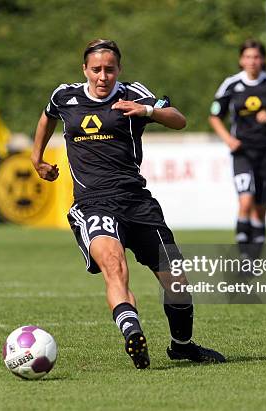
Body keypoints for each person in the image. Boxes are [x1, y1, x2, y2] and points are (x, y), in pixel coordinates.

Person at [31, 39, 225, 369]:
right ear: (85, 70)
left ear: (118, 70)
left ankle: (182, 346)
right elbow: (47, 117)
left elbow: (179, 119)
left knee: (176, 280)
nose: (102, 76)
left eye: (109, 69)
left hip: (137, 201)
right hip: (93, 203)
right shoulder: (65, 96)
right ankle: (133, 334)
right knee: (114, 266)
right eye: (96, 70)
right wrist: (37, 158)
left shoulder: (133, 92)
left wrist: (147, 110)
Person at [209, 39, 266, 263]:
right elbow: (215, 116)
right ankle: (244, 256)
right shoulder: (231, 84)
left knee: (260, 208)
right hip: (242, 151)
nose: (252, 61)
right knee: (245, 201)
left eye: (256, 57)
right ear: (241, 60)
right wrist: (228, 139)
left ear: (263, 59)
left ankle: (255, 259)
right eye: (247, 57)